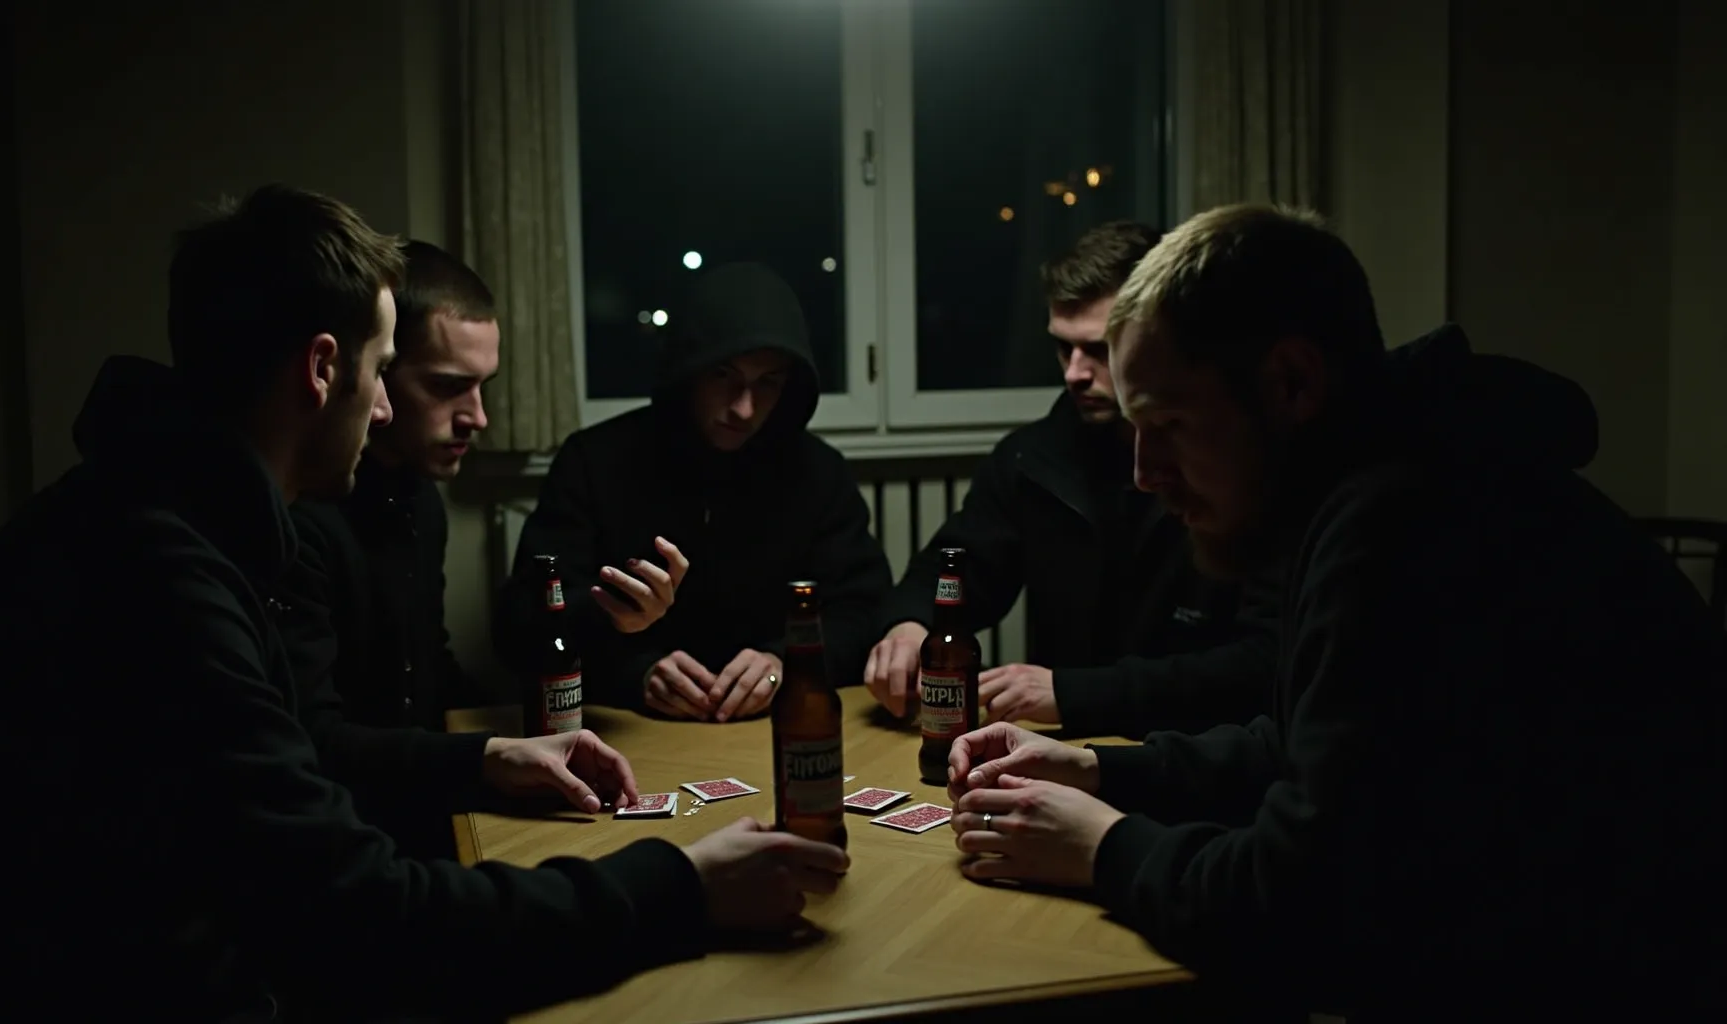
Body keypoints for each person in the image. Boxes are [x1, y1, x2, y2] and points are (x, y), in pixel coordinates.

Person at [0, 185, 849, 1022]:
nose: (380, 413)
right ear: (322, 369)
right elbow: (362, 917)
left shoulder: (163, 512)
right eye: (382, 371)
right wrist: (679, 885)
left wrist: (484, 758)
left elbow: (300, 760)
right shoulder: (159, 578)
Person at [942, 204, 1725, 1016]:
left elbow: (1297, 902)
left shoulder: (1409, 523)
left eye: (1169, 424)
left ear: (1292, 382)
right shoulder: (1375, 477)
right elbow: (1305, 746)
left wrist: (1101, 845)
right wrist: (1099, 770)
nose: (1145, 472)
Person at [865, 221, 1275, 737]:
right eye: (1063, 348)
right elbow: (952, 569)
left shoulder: (1235, 464)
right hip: (1067, 748)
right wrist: (909, 626)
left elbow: (1263, 664)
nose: (1073, 373)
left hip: (1205, 750)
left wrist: (1074, 692)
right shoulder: (1032, 458)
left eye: (1099, 350)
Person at [496, 262, 891, 722]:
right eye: (723, 375)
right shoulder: (594, 462)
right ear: (687, 372)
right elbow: (522, 621)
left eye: (768, 382)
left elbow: (863, 609)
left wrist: (787, 662)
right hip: (631, 728)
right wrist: (633, 669)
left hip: (772, 726)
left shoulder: (819, 472)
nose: (745, 409)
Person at [280, 239, 504, 860]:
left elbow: (425, 667)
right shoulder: (301, 517)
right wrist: (488, 758)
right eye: (447, 386)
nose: (478, 417)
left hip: (417, 809)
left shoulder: (420, 499)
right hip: (345, 838)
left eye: (483, 387)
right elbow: (314, 738)